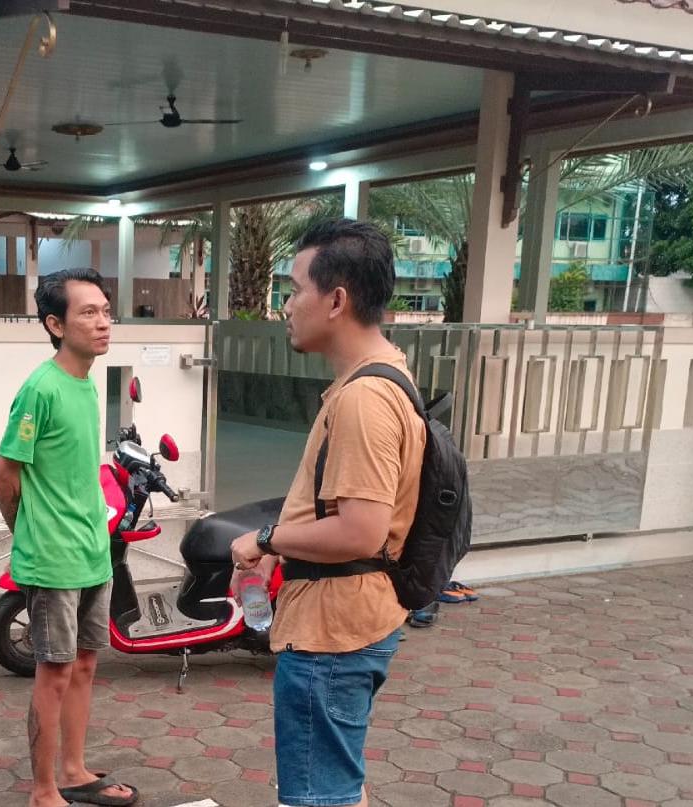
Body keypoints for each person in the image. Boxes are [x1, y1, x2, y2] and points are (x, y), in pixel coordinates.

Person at [231, 218, 426, 807]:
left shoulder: (365, 398)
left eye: (294, 290)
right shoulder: (379, 377)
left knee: (320, 797)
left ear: (336, 300)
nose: (287, 306)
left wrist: (265, 540)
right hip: (345, 623)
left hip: (332, 635)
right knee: (337, 788)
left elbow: (360, 530)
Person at [0, 269, 137, 807]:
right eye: (88, 313)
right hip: (53, 559)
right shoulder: (41, 389)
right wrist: (27, 535)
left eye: (105, 311)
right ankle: (43, 789)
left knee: (85, 665)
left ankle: (74, 771)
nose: (103, 323)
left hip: (92, 551)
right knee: (53, 672)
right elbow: (4, 475)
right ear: (55, 324)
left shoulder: (86, 383)